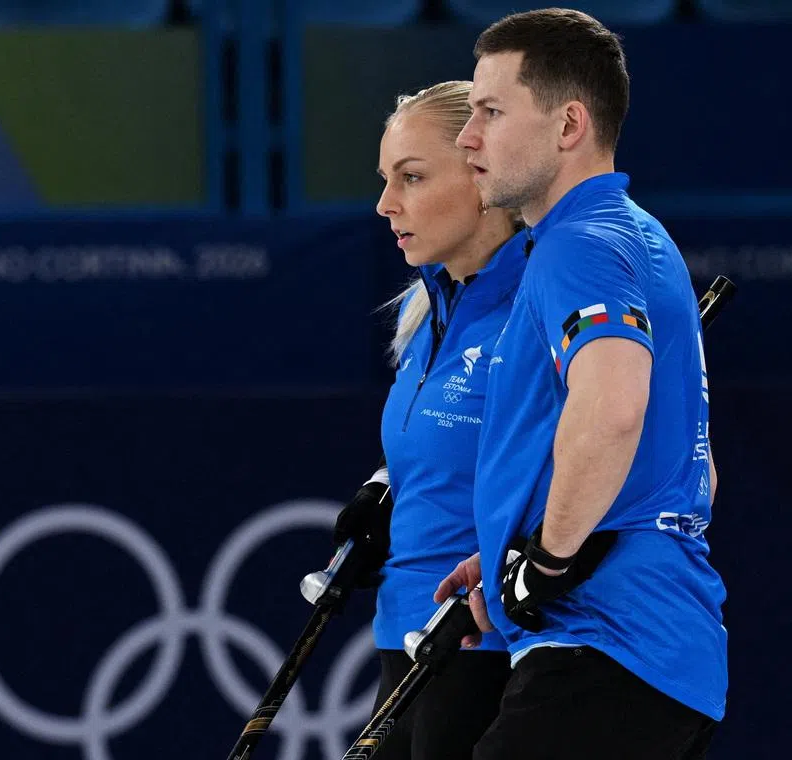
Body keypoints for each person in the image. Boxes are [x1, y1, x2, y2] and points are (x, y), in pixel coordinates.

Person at [432, 9, 727, 759]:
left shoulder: (579, 246)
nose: (468, 137)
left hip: (605, 643)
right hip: (652, 651)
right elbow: (693, 468)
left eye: (491, 112)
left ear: (568, 124)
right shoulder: (632, 235)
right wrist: (514, 539)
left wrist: (546, 562)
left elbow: (614, 409)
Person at [331, 80, 527, 760]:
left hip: (487, 647)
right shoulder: (428, 312)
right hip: (403, 637)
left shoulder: (536, 312)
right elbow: (448, 446)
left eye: (411, 177)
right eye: (386, 179)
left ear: (483, 176)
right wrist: (385, 488)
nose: (386, 203)